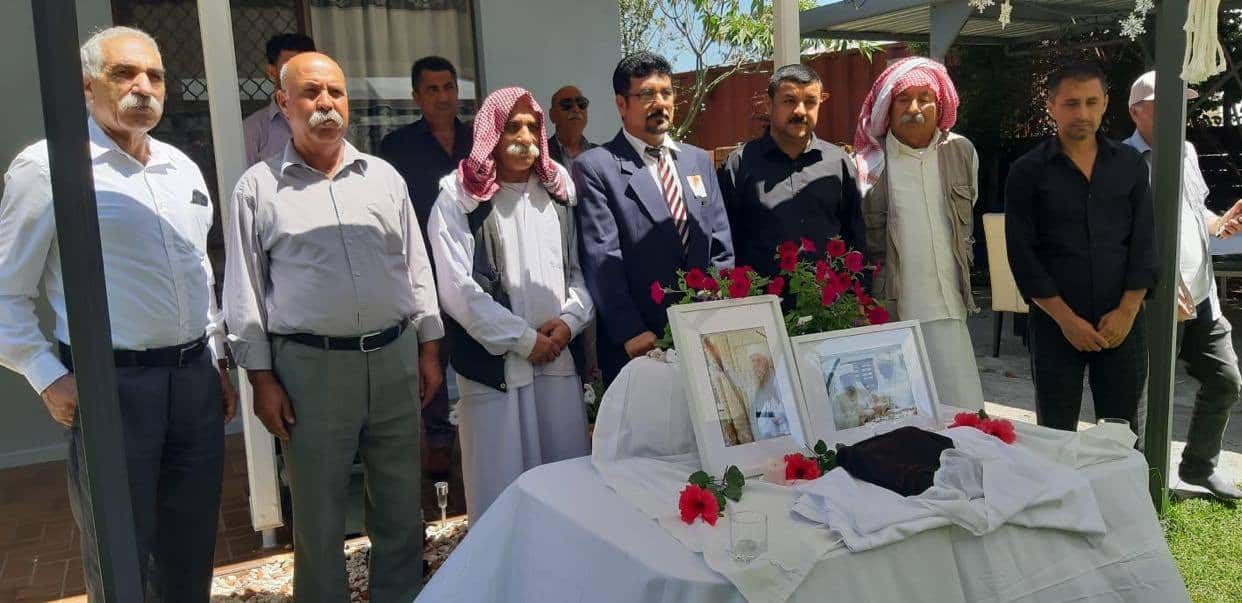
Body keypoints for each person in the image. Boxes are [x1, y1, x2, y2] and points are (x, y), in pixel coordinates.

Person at [0, 26, 235, 600]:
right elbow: (5, 291)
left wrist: (217, 357)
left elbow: (197, 274)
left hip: (193, 381)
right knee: (121, 552)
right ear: (86, 86)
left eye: (154, 75)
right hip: (113, 386)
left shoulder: (180, 167)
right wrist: (46, 375)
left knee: (189, 545)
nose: (142, 87)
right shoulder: (48, 166)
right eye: (123, 74)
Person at [223, 52, 443, 601]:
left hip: (394, 358)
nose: (326, 103)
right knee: (318, 514)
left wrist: (428, 345)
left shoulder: (384, 179)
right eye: (311, 93)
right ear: (283, 103)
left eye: (336, 92)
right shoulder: (257, 189)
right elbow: (245, 289)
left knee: (399, 501)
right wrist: (260, 377)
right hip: (309, 369)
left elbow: (414, 265)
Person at [427, 87, 593, 522]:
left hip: (556, 362)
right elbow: (458, 290)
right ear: (490, 135)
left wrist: (569, 322)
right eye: (511, 126)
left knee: (567, 492)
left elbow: (580, 270)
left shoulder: (560, 191)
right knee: (501, 500)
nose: (524, 135)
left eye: (532, 126)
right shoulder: (458, 197)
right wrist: (523, 340)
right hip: (494, 373)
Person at [1006, 62, 1156, 439]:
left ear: (1106, 103)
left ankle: (1122, 500)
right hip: (1056, 325)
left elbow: (1144, 242)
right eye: (1072, 104)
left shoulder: (1129, 165)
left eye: (1092, 102)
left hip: (1122, 324)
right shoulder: (1028, 172)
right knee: (1055, 435)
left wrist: (1128, 309)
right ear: (1051, 105)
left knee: (1123, 435)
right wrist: (1066, 320)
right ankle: (1061, 499)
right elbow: (1023, 254)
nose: (1083, 113)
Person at [574, 51, 734, 384]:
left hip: (704, 334)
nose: (659, 102)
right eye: (646, 94)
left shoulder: (697, 162)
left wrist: (720, 311)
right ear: (621, 104)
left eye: (666, 92)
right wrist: (631, 330)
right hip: (641, 344)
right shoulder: (597, 167)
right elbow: (603, 258)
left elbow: (720, 245)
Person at [1123, 71, 1242, 499]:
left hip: (1202, 294)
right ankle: (1138, 484)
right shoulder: (1123, 162)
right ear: (1137, 112)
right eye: (1168, 102)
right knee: (1146, 397)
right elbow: (1120, 236)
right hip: (1156, 300)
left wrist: (1220, 224)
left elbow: (1198, 211)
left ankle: (1198, 467)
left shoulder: (1187, 151)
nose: (1182, 110)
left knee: (1225, 379)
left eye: (1185, 101)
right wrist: (1157, 281)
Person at [852, 56, 985, 410]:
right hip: (892, 311)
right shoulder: (868, 165)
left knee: (964, 416)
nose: (915, 108)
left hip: (948, 309)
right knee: (900, 417)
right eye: (903, 99)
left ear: (939, 103)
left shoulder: (962, 152)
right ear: (887, 108)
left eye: (924, 97)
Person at [378, 55, 471, 477]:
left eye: (448, 87)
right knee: (431, 359)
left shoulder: (479, 142)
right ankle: (437, 443)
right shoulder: (397, 148)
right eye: (431, 89)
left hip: (476, 272)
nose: (442, 96)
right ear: (416, 96)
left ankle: (477, 436)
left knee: (479, 354)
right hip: (426, 273)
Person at [719, 64, 863, 279]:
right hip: (761, 304)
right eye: (789, 101)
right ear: (769, 104)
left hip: (828, 305)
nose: (800, 111)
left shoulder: (838, 163)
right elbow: (724, 242)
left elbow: (856, 235)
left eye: (810, 102)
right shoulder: (739, 164)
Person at [242, 33, 316, 166]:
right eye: (290, 67)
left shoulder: (330, 120)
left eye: (306, 66)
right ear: (272, 73)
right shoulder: (253, 130)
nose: (300, 74)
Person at [704, 339, 788, 440]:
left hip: (780, 431)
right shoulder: (750, 379)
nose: (755, 364)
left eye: (758, 360)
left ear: (766, 360)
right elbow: (731, 375)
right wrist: (717, 359)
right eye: (753, 361)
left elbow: (785, 407)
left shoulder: (777, 378)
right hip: (760, 430)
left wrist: (767, 416)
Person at [547, 85, 597, 173]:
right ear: (552, 115)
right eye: (567, 104)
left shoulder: (601, 155)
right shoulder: (540, 155)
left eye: (581, 103)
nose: (576, 109)